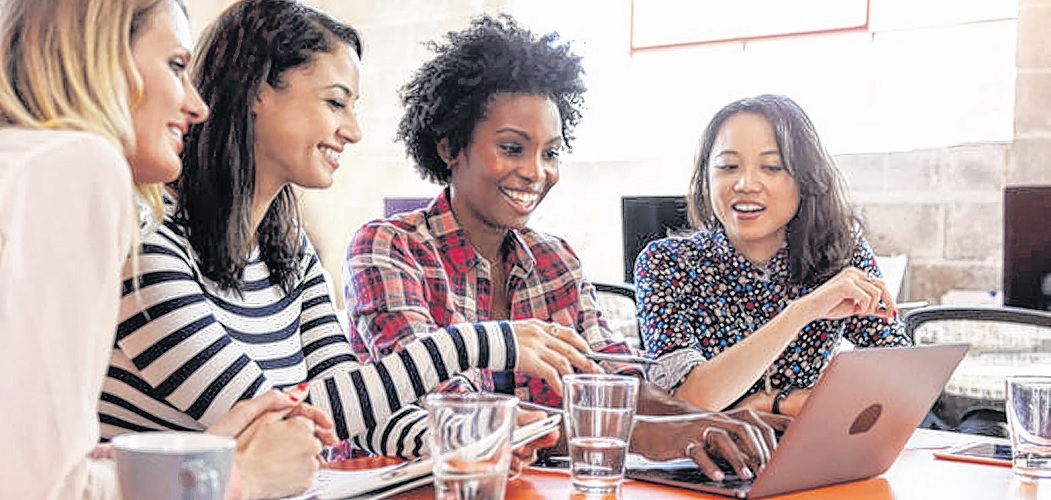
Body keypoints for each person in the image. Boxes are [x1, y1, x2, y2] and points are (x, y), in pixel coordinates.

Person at [98, 0, 591, 477]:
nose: (352, 131)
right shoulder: (146, 245)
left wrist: (466, 437)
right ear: (257, 90)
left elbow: (351, 407)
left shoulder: (287, 249)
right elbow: (277, 428)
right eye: (335, 102)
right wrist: (479, 343)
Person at [345, 15, 789, 482]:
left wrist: (702, 423)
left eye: (551, 153)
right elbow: (455, 415)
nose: (537, 172)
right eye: (513, 148)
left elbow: (613, 382)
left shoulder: (555, 261)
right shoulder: (388, 249)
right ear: (450, 145)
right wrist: (644, 435)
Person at [0, 0, 337, 498]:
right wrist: (237, 478)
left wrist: (198, 456)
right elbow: (40, 487)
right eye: (176, 66)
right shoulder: (75, 166)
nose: (197, 106)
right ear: (100, 55)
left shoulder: (24, 162)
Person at [635, 94, 912, 418]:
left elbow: (903, 384)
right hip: (704, 462)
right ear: (706, 176)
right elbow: (682, 405)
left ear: (805, 178)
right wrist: (801, 313)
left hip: (815, 456)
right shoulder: (667, 263)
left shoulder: (840, 254)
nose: (746, 183)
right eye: (728, 167)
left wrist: (773, 402)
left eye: (771, 167)